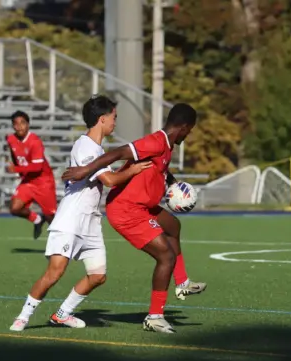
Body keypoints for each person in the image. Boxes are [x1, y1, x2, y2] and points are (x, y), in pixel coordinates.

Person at [61, 103, 207, 334]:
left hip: (143, 207)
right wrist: (84, 170)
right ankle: (155, 317)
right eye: (190, 130)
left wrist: (173, 184)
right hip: (127, 210)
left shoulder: (167, 146)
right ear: (184, 127)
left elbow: (161, 168)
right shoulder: (156, 142)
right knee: (166, 256)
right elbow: (118, 153)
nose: (189, 135)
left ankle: (182, 283)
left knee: (173, 226)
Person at [9, 96, 152, 332]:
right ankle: (23, 317)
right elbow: (109, 180)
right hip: (71, 218)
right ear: (102, 119)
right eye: (114, 118)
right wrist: (134, 169)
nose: (115, 123)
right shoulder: (86, 146)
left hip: (91, 221)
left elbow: (107, 176)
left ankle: (62, 314)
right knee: (55, 272)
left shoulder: (97, 148)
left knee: (98, 275)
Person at [5, 111, 57, 239]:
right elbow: (14, 153)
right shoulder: (11, 139)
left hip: (43, 182)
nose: (19, 126)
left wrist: (16, 168)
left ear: (28, 124)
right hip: (28, 181)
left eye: (23, 123)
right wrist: (19, 171)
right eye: (16, 124)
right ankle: (37, 220)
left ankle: (63, 244)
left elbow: (38, 167)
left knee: (51, 218)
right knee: (14, 208)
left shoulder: (35, 142)